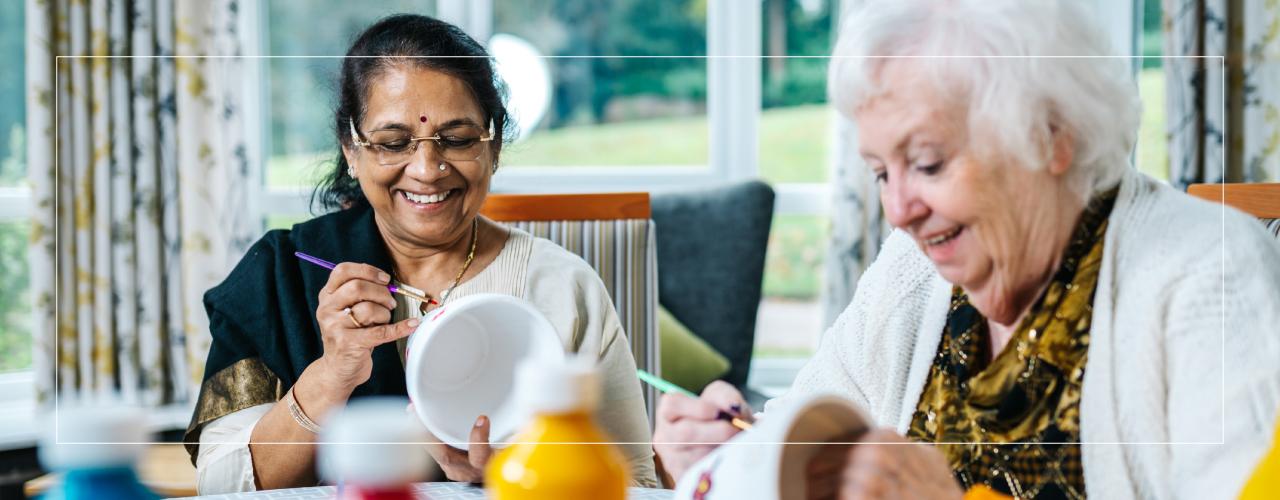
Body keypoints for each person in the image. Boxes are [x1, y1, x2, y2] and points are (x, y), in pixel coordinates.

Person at [654, 0, 1280, 498]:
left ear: (1048, 137)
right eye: (880, 172)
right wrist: (729, 461)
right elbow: (804, 432)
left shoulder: (1210, 276)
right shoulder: (914, 272)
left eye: (927, 163)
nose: (897, 212)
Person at [184, 14, 657, 493]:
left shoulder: (561, 287)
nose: (428, 170)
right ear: (351, 149)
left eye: (457, 139)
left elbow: (636, 486)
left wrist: (503, 479)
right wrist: (331, 377)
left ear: (493, 146)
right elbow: (223, 486)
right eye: (393, 143)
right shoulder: (286, 273)